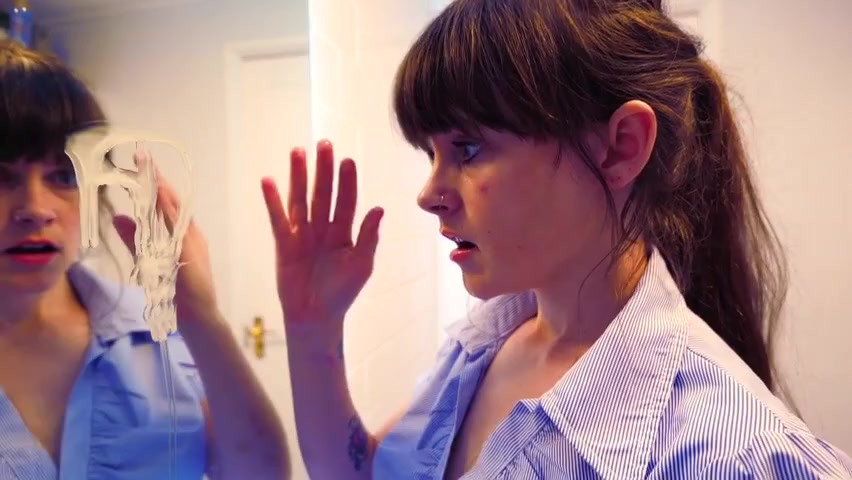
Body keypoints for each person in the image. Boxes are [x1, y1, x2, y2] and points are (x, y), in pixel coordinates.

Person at [261, 0, 852, 478]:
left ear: (620, 147)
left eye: (468, 148)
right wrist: (312, 326)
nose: (429, 193)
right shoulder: (483, 345)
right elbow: (366, 472)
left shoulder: (733, 454)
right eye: (430, 155)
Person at [0, 40, 289, 479]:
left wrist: (202, 318)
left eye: (64, 175)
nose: (36, 208)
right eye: (2, 178)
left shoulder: (159, 332)